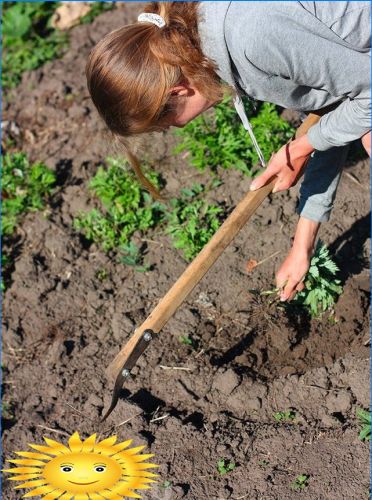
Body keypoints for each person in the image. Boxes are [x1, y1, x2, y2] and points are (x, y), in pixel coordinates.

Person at [86, 1, 371, 301]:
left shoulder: (251, 39)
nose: (177, 129)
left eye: (168, 124)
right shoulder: (209, 46)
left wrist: (302, 146)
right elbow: (332, 110)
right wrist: (302, 246)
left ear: (177, 92)